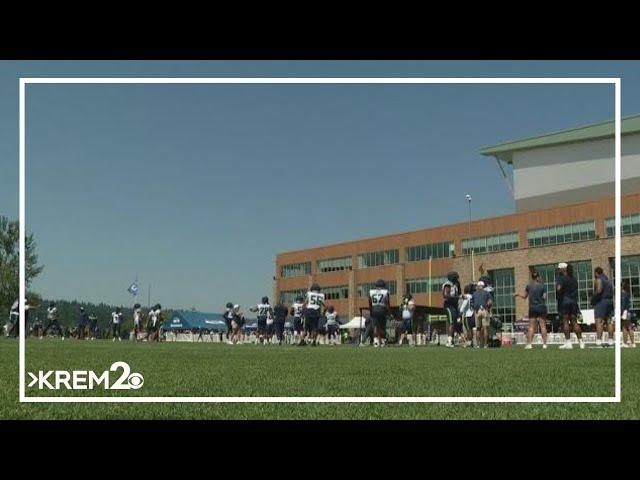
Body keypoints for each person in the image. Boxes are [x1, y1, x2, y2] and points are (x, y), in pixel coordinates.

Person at [515, 271, 548, 349]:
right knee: (543, 326)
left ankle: (529, 344)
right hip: (541, 307)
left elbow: (524, 296)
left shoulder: (529, 286)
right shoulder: (543, 286)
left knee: (531, 327)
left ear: (532, 278)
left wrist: (518, 294)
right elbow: (544, 297)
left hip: (533, 308)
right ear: (538, 277)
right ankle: (544, 344)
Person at [556, 263, 585, 349]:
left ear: (563, 269)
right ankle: (581, 342)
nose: (558, 271)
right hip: (573, 302)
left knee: (565, 321)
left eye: (559, 269)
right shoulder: (574, 279)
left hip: (565, 301)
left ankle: (568, 343)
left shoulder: (562, 278)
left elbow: (558, 289)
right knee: (574, 321)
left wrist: (559, 293)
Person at [592, 266, 615, 347]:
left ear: (596, 273)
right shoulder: (609, 281)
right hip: (610, 301)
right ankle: (611, 340)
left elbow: (598, 290)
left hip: (601, 301)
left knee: (599, 321)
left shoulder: (599, 279)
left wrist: (593, 299)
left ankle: (598, 340)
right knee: (609, 321)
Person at [368, 279, 390, 348]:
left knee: (375, 326)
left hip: (374, 309)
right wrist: (388, 312)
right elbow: (387, 302)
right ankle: (383, 342)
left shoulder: (371, 292)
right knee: (382, 326)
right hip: (382, 309)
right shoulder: (385, 292)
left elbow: (370, 302)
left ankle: (375, 342)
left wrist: (371, 311)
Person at [471, 280, 493, 349]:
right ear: (483, 286)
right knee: (485, 328)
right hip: (484, 310)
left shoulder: (474, 293)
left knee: (478, 328)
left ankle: (478, 345)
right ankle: (485, 345)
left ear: (478, 286)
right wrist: (488, 308)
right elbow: (490, 302)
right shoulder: (487, 293)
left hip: (477, 311)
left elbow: (471, 303)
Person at [442, 271, 461, 348]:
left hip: (454, 305)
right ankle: (449, 341)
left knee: (454, 322)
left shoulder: (455, 285)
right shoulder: (448, 284)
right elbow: (446, 295)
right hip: (449, 305)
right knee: (451, 322)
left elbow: (459, 293)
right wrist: (457, 297)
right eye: (456, 278)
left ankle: (451, 340)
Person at [621, 281, 636, 348]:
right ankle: (625, 342)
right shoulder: (627, 293)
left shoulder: (623, 294)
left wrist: (621, 312)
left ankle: (632, 343)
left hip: (625, 312)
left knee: (628, 327)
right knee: (625, 327)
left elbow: (623, 305)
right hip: (627, 311)